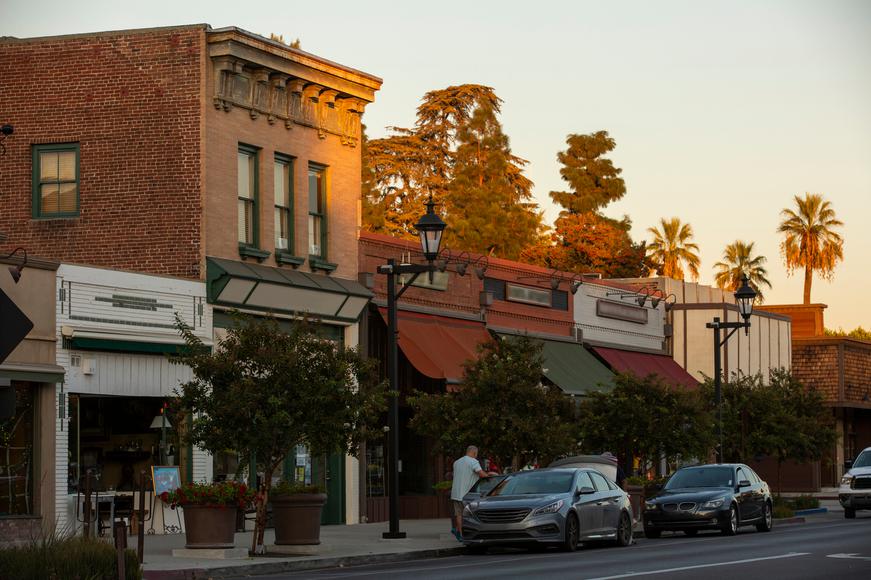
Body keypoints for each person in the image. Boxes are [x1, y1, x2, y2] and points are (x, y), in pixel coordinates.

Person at [450, 445, 496, 541]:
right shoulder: (473, 461)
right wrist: (490, 475)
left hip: (456, 493)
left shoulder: (457, 462)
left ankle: (460, 534)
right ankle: (468, 534)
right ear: (474, 453)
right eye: (476, 454)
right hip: (467, 494)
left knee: (459, 514)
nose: (476, 456)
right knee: (470, 515)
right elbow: (482, 474)